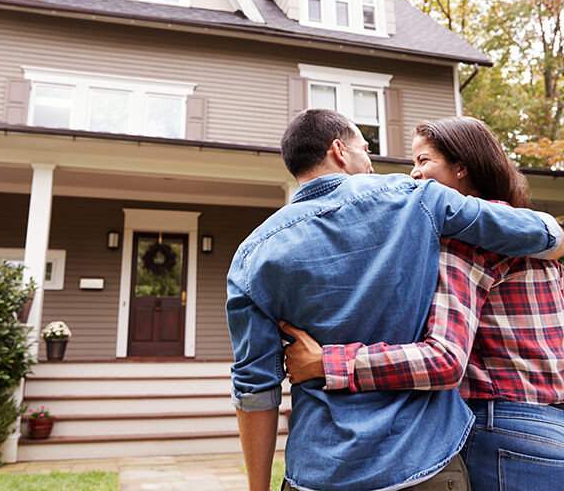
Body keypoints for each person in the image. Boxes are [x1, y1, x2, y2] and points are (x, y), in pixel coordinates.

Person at [226, 109, 563, 491]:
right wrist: (554, 235)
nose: (374, 166)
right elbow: (541, 234)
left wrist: (258, 486)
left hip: (319, 467)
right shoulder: (417, 201)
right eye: (366, 150)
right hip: (421, 461)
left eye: (422, 160)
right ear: (340, 151)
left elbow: (254, 387)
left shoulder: (250, 255)